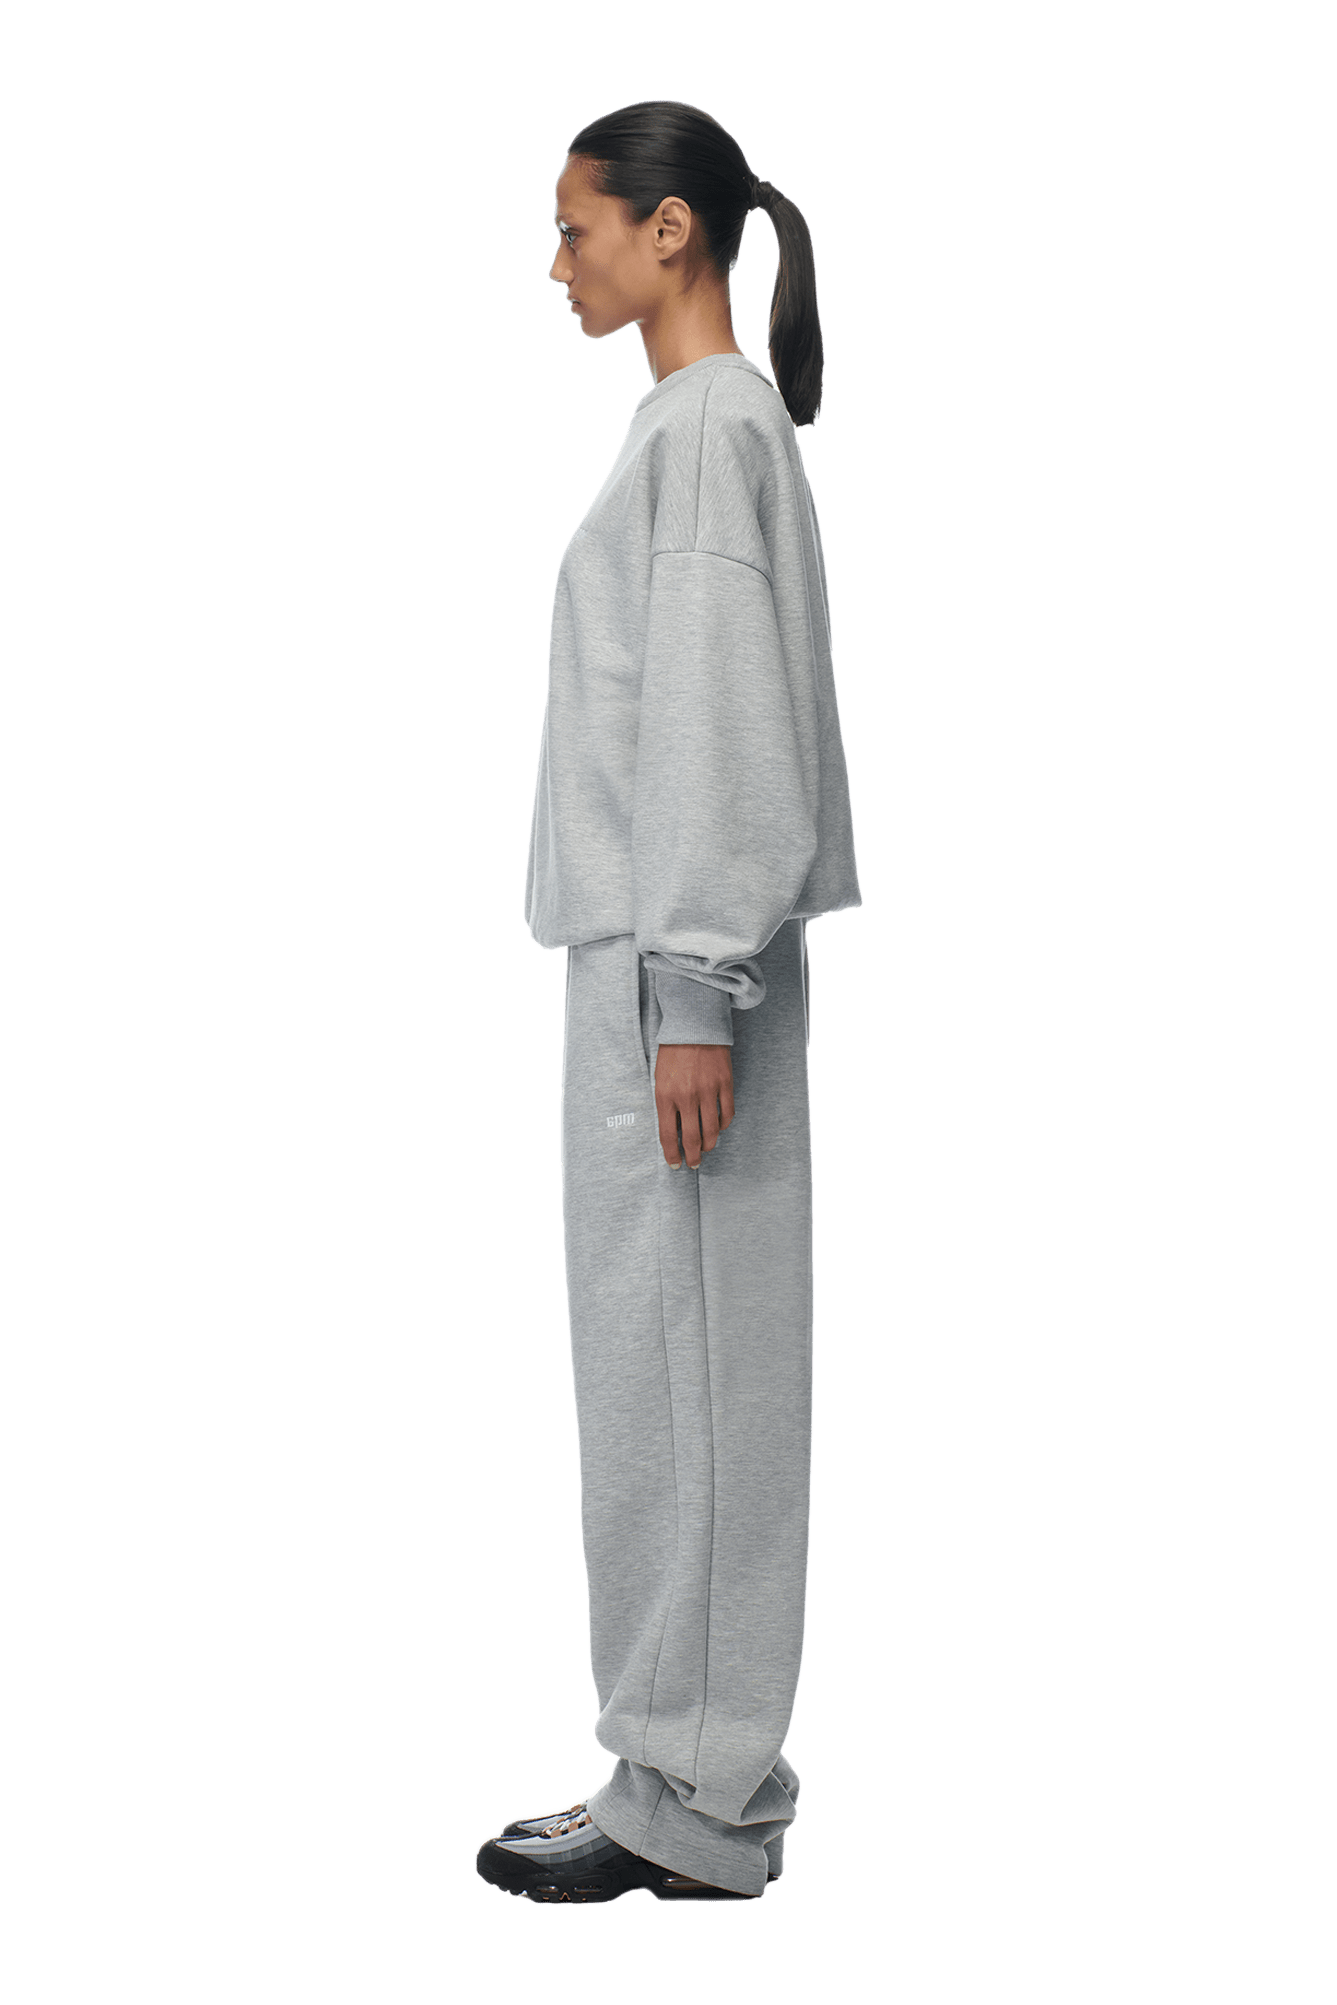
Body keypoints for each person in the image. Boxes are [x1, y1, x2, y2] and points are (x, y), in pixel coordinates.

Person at [472, 97, 863, 1907]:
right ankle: (673, 1770)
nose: (556, 262)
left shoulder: (707, 428)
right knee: (659, 1369)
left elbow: (717, 711)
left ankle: (692, 1801)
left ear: (670, 232)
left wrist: (696, 986)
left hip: (672, 977)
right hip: (646, 964)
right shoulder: (691, 425)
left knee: (688, 1371)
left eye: (576, 229)